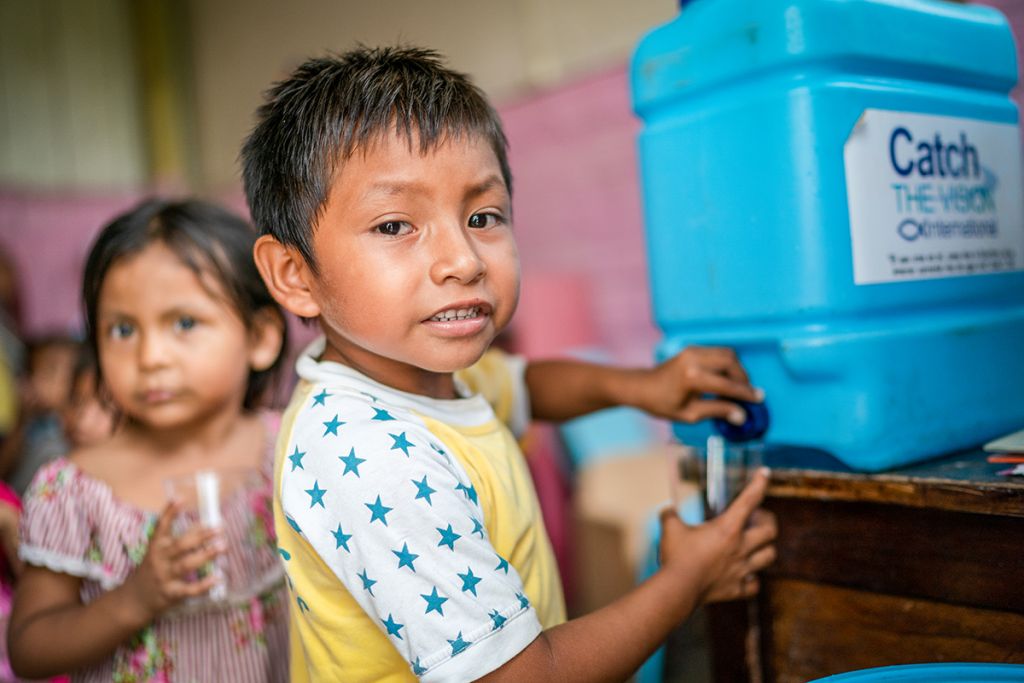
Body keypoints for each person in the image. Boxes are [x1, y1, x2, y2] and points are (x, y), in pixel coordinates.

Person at [244, 46, 777, 682]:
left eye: (482, 216)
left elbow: (527, 386)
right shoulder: (372, 455)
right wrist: (687, 580)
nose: (464, 260)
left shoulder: (419, 374)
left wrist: (642, 387)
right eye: (395, 226)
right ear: (295, 275)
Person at [7, 199, 290, 681]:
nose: (150, 356)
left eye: (183, 323)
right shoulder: (73, 489)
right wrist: (135, 599)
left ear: (260, 337)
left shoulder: (290, 450)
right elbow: (29, 649)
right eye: (122, 329)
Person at [0, 335, 79, 496]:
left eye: (52, 371)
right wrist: (22, 419)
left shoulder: (75, 429)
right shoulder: (31, 421)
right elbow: (4, 469)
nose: (38, 381)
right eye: (37, 372)